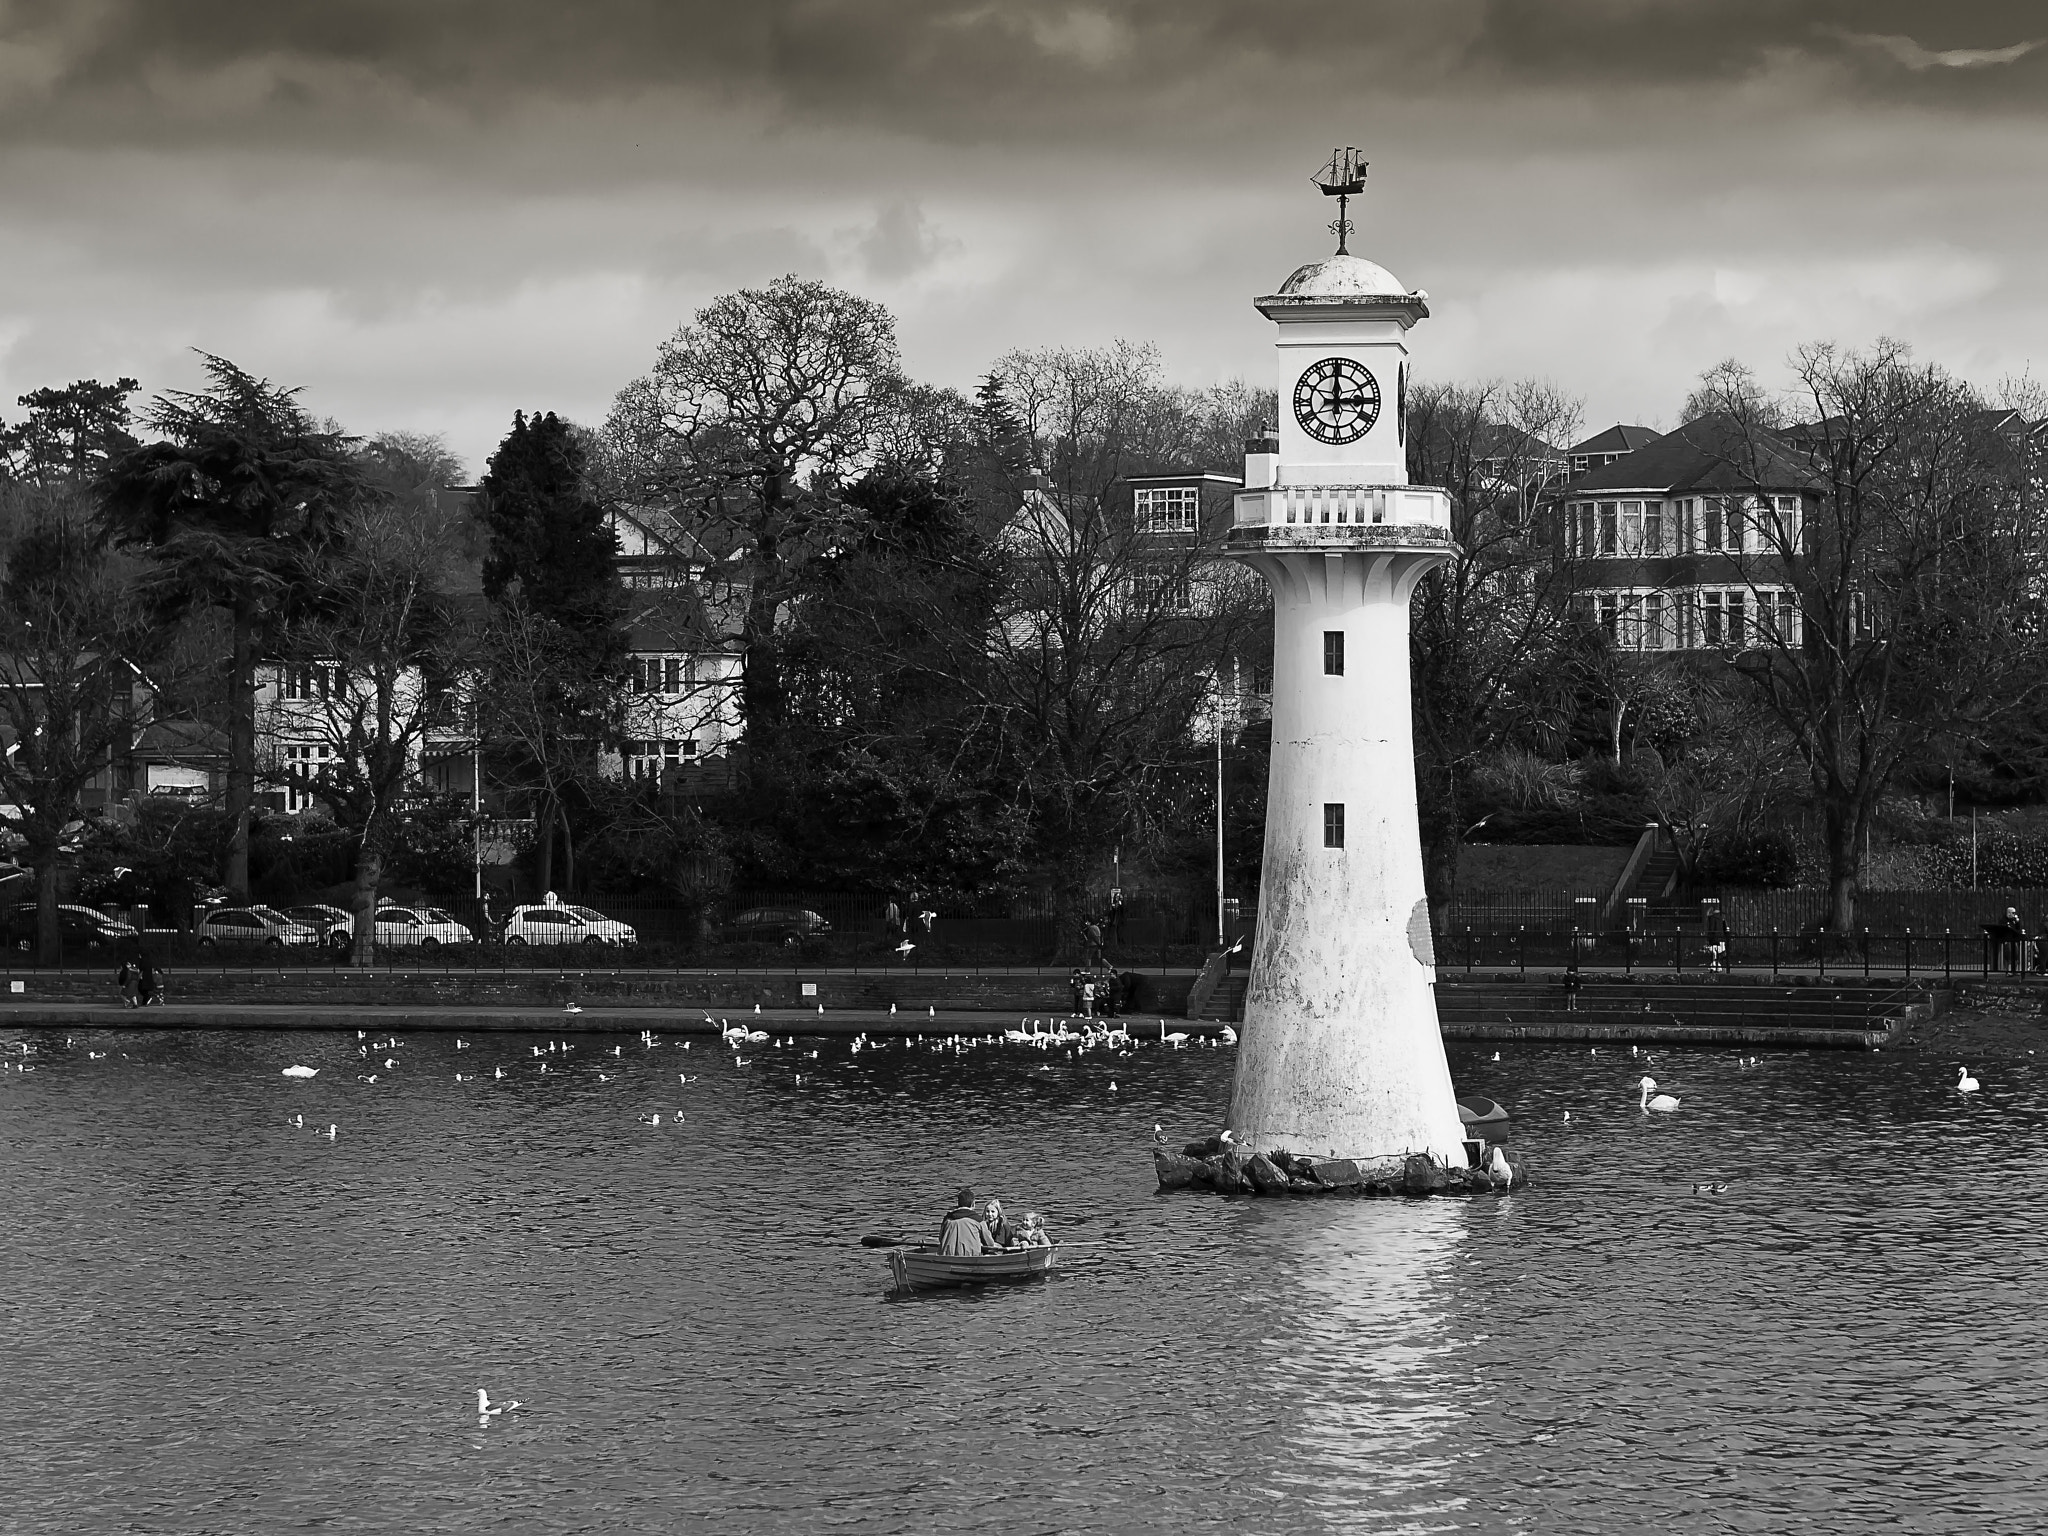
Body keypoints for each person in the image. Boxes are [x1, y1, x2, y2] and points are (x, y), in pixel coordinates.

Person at [939, 1186, 996, 1257]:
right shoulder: (978, 1220)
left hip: (947, 1257)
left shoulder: (947, 1219)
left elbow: (941, 1239)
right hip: (971, 1257)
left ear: (958, 1203)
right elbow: (989, 1244)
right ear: (973, 1204)